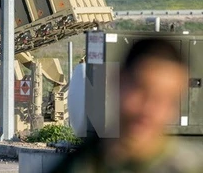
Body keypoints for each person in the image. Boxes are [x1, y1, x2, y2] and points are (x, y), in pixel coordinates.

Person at [50, 37, 203, 173]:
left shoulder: (189, 167)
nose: (148, 110)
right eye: (141, 90)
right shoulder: (77, 165)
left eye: (164, 99)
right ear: (117, 82)